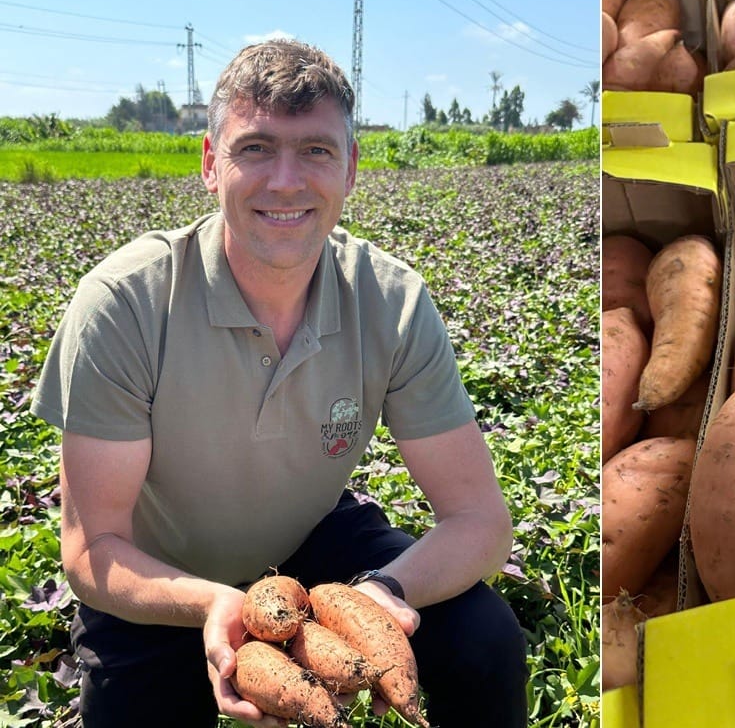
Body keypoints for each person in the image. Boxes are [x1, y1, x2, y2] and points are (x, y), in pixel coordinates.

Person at [30, 38, 527, 728]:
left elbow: (481, 521)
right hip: (155, 576)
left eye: (317, 151)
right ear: (211, 163)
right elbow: (92, 552)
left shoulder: (392, 302)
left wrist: (382, 591)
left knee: (487, 642)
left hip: (308, 541)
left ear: (351, 168)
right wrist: (212, 603)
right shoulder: (125, 303)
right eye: (256, 148)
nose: (286, 181)